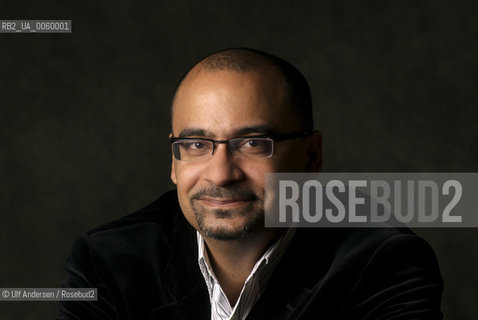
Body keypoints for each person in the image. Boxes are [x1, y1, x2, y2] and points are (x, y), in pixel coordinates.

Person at [57, 48, 443, 319]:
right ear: (174, 162)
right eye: (196, 144)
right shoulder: (107, 262)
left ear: (311, 156)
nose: (221, 173)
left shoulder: (383, 261)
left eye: (254, 143)